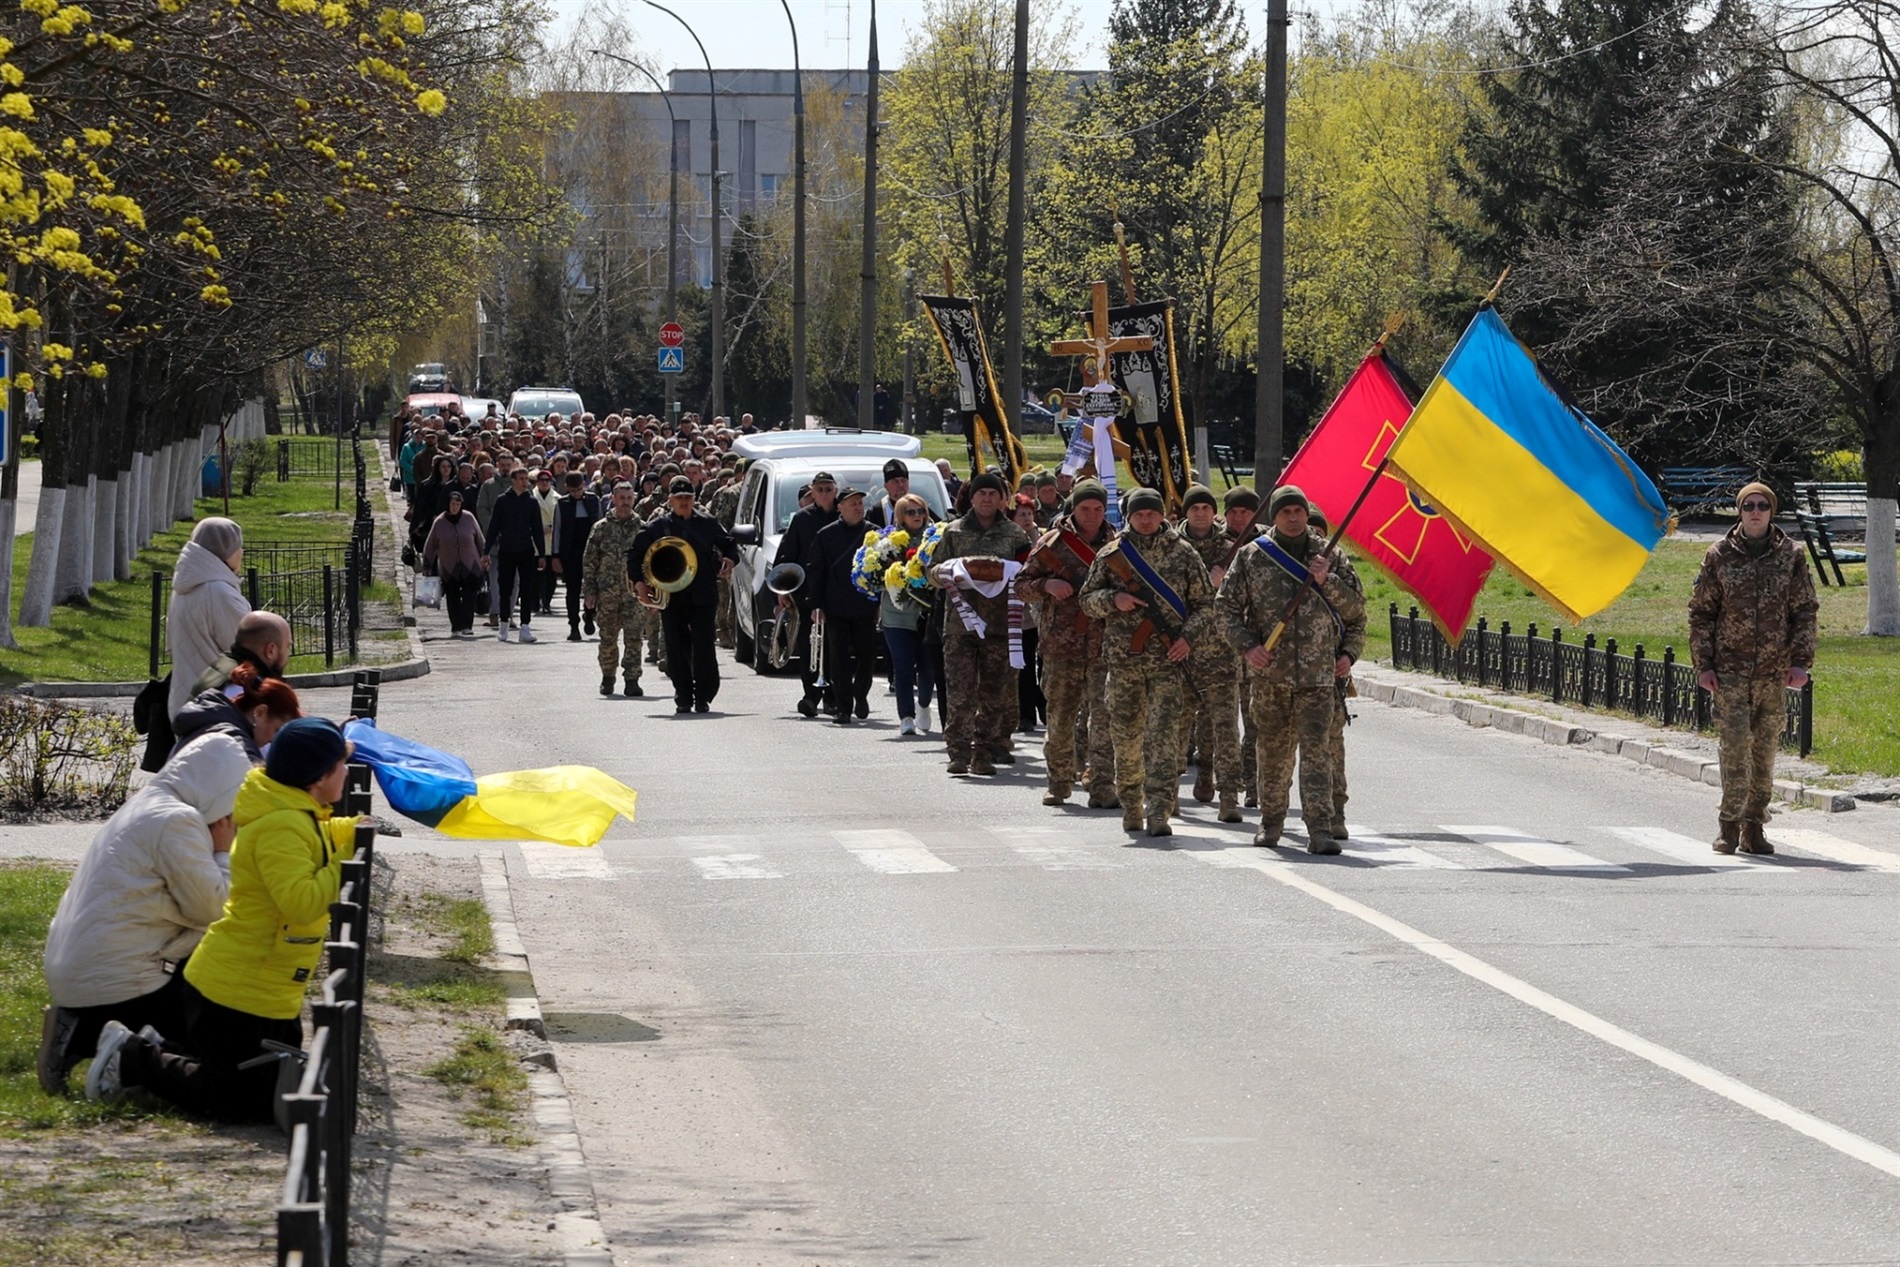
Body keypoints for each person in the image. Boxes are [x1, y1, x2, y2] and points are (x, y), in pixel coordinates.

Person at [84, 719, 361, 1122]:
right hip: (235, 992)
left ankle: (162, 1046)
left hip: (263, 990)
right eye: (342, 765)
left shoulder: (295, 812)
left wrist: (352, 831)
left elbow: (319, 835)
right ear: (319, 777)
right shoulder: (280, 825)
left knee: (271, 1091)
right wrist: (345, 859)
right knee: (233, 1102)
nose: (347, 773)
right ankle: (131, 1058)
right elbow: (302, 903)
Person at [38, 733, 253, 1095]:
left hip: (84, 970)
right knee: (206, 1046)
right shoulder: (177, 821)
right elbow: (214, 909)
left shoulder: (151, 803)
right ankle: (112, 1046)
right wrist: (222, 852)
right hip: (120, 978)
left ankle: (80, 1028)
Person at [1217, 485, 1366, 853]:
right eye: (1286, 512)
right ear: (1275, 517)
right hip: (1271, 676)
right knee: (1272, 752)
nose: (1295, 518)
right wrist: (1247, 648)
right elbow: (1225, 609)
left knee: (1317, 753)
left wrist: (1325, 581)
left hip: (1318, 677)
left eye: (1299, 511)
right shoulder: (1253, 557)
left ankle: (1320, 828)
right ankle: (1271, 824)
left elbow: (1356, 612)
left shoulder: (1330, 556)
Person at [1688, 481, 1818, 855]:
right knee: (1734, 746)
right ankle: (1728, 826)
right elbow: (1701, 613)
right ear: (1740, 512)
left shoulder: (1790, 556)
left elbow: (1804, 611)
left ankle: (1754, 827)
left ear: (1771, 511)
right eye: (1748, 506)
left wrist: (1799, 662)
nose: (1756, 512)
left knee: (1764, 749)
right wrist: (1704, 664)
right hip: (1729, 670)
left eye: (1762, 505)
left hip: (1773, 671)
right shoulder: (1719, 555)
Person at [1080, 487, 1214, 836]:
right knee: (1126, 738)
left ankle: (1159, 810)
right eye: (1139, 514)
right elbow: (1086, 600)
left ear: (1162, 516)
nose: (1146, 519)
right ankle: (1132, 804)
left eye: (1152, 514)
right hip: (1124, 663)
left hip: (1169, 663)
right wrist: (1114, 598)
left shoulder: (1183, 554)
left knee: (1164, 739)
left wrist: (1188, 639)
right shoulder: (1112, 554)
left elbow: (1205, 604)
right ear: (1130, 516)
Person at [1017, 478, 1116, 807]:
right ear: (1074, 508)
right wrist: (1047, 585)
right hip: (1062, 646)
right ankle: (1059, 780)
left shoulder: (1116, 544)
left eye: (1098, 509)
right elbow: (1021, 585)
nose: (1092, 514)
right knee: (1061, 717)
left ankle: (1102, 783)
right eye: (1085, 508)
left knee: (1105, 719)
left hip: (1104, 647)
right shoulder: (1052, 544)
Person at [929, 472, 1031, 776]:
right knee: (960, 691)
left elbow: (1027, 574)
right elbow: (931, 572)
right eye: (981, 493)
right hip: (960, 626)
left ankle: (984, 752)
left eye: (992, 493)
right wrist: (950, 573)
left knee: (994, 692)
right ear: (971, 498)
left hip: (999, 625)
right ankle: (958, 752)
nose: (987, 499)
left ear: (1002, 499)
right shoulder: (954, 532)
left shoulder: (1015, 534)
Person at [631, 477, 740, 714]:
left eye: (688, 498)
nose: (683, 502)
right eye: (679, 498)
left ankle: (703, 695)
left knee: (704, 646)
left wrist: (730, 559)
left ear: (694, 499)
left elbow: (730, 545)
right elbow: (635, 554)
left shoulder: (708, 523)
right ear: (670, 500)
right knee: (675, 646)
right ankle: (683, 695)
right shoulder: (657, 526)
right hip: (672, 594)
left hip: (703, 593)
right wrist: (640, 584)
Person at [1173, 484, 1245, 822]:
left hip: (1222, 655)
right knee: (1175, 729)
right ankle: (1168, 794)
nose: (1200, 513)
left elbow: (1246, 599)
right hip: (1181, 655)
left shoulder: (1232, 550)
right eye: (1194, 507)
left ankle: (1228, 795)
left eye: (1206, 507)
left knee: (1225, 729)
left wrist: (1225, 581)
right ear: (1185, 512)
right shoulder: (1172, 549)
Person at [805, 485, 881, 724]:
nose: (858, 508)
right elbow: (816, 571)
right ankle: (843, 706)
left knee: (867, 656)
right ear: (840, 507)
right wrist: (816, 605)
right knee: (838, 659)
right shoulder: (826, 535)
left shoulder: (875, 534)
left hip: (866, 606)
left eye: (860, 503)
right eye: (852, 504)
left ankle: (861, 694)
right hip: (835, 606)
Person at [166, 517, 250, 719]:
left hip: (183, 699)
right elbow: (249, 649)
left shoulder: (183, 588)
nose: (242, 553)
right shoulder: (219, 592)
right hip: (218, 702)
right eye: (239, 547)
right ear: (227, 550)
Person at [773, 471, 840, 717]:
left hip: (836, 592)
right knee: (808, 644)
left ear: (835, 490)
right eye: (819, 489)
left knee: (834, 645)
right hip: (807, 593)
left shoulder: (843, 515)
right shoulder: (801, 519)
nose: (824, 494)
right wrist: (782, 591)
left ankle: (833, 696)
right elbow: (787, 556)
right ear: (812, 492)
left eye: (828, 489)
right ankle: (810, 695)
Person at [877, 494, 938, 735]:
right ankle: (906, 716)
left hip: (926, 614)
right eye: (910, 512)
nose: (916, 516)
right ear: (900, 516)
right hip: (896, 615)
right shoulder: (887, 542)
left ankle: (923, 705)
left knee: (927, 667)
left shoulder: (935, 538)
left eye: (920, 511)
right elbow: (874, 574)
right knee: (903, 667)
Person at [583, 482, 647, 697]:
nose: (626, 502)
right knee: (608, 638)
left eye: (629, 498)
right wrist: (590, 591)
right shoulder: (601, 528)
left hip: (634, 594)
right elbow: (590, 561)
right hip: (607, 593)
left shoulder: (643, 528)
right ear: (613, 498)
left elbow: (651, 561)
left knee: (634, 637)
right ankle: (608, 676)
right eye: (622, 498)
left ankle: (632, 678)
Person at [169, 662, 303, 764]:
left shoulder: (213, 719)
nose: (274, 740)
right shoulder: (239, 746)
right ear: (260, 712)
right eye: (277, 730)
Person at [486, 465, 547, 642]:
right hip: (506, 549)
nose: (525, 482)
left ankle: (525, 627)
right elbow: (493, 527)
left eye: (526, 479)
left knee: (526, 589)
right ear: (513, 480)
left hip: (526, 550)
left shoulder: (531, 502)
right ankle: (504, 624)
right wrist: (486, 551)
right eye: (521, 479)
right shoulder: (502, 500)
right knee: (506, 588)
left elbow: (536, 529)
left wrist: (541, 554)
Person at [423, 487, 489, 638]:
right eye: (452, 504)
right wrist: (427, 565)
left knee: (469, 596)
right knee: (452, 597)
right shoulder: (439, 522)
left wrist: (485, 557)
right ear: (448, 504)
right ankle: (456, 627)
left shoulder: (469, 518)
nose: (455, 507)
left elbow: (479, 540)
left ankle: (467, 626)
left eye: (458, 504)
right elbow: (430, 544)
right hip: (448, 567)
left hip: (470, 565)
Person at [1011, 494, 1046, 733]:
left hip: (1042, 613)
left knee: (1044, 664)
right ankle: (1025, 714)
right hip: (1020, 614)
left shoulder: (1043, 538)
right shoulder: (1010, 539)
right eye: (1021, 514)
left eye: (1029, 514)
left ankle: (1045, 709)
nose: (1027, 518)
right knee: (1023, 665)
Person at [553, 471, 601, 642]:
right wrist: (555, 555)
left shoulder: (593, 500)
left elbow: (600, 525)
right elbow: (557, 530)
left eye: (579, 489)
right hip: (570, 552)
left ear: (584, 485)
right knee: (572, 590)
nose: (576, 493)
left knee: (592, 587)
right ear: (567, 488)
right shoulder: (562, 504)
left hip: (591, 551)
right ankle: (573, 625)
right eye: (572, 491)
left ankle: (589, 615)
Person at [531, 468, 561, 615]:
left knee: (550, 575)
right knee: (536, 576)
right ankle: (535, 602)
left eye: (547, 480)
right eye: (541, 480)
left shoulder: (558, 498)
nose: (544, 483)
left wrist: (551, 527)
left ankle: (547, 602)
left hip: (551, 540)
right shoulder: (530, 496)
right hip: (535, 541)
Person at [865, 458, 912, 528]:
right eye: (895, 481)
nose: (901, 485)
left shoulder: (919, 508)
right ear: (886, 486)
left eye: (904, 480)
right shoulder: (876, 512)